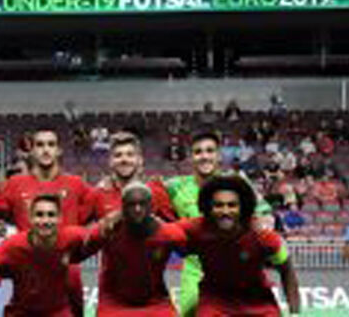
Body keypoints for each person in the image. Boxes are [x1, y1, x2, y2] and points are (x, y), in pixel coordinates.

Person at [165, 131, 272, 317]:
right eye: (198, 152)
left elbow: (264, 213)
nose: (204, 156)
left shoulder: (236, 183)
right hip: (195, 270)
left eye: (209, 151)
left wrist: (263, 223)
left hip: (235, 269)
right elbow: (142, 195)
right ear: (191, 157)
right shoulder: (175, 187)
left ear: (218, 155)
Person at [175, 176, 301, 316]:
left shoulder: (263, 236)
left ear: (243, 208)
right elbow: (160, 235)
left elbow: (287, 270)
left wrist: (294, 314)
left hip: (257, 302)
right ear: (208, 207)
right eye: (218, 205)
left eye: (232, 205)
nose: (225, 211)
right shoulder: (195, 228)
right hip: (215, 301)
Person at [3, 127, 93, 316]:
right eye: (40, 145)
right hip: (28, 274)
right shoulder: (14, 185)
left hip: (67, 273)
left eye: (51, 144)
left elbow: (99, 211)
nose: (46, 150)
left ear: (59, 150)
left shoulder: (76, 184)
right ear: (32, 150)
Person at [0, 193, 102, 317]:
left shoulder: (73, 237)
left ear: (60, 218)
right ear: (30, 218)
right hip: (22, 311)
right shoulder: (13, 245)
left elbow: (99, 235)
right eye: (39, 215)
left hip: (57, 311)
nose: (45, 221)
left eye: (51, 215)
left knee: (73, 275)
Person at [90, 182, 185, 316]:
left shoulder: (169, 234)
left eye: (142, 204)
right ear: (122, 207)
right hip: (113, 302)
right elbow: (83, 244)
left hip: (156, 303)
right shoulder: (107, 230)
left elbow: (191, 250)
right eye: (131, 205)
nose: (137, 209)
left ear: (152, 207)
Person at [87, 131, 175, 222]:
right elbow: (84, 231)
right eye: (118, 155)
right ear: (110, 162)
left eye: (130, 155)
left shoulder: (155, 191)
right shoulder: (98, 193)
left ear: (140, 160)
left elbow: (173, 229)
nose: (124, 159)